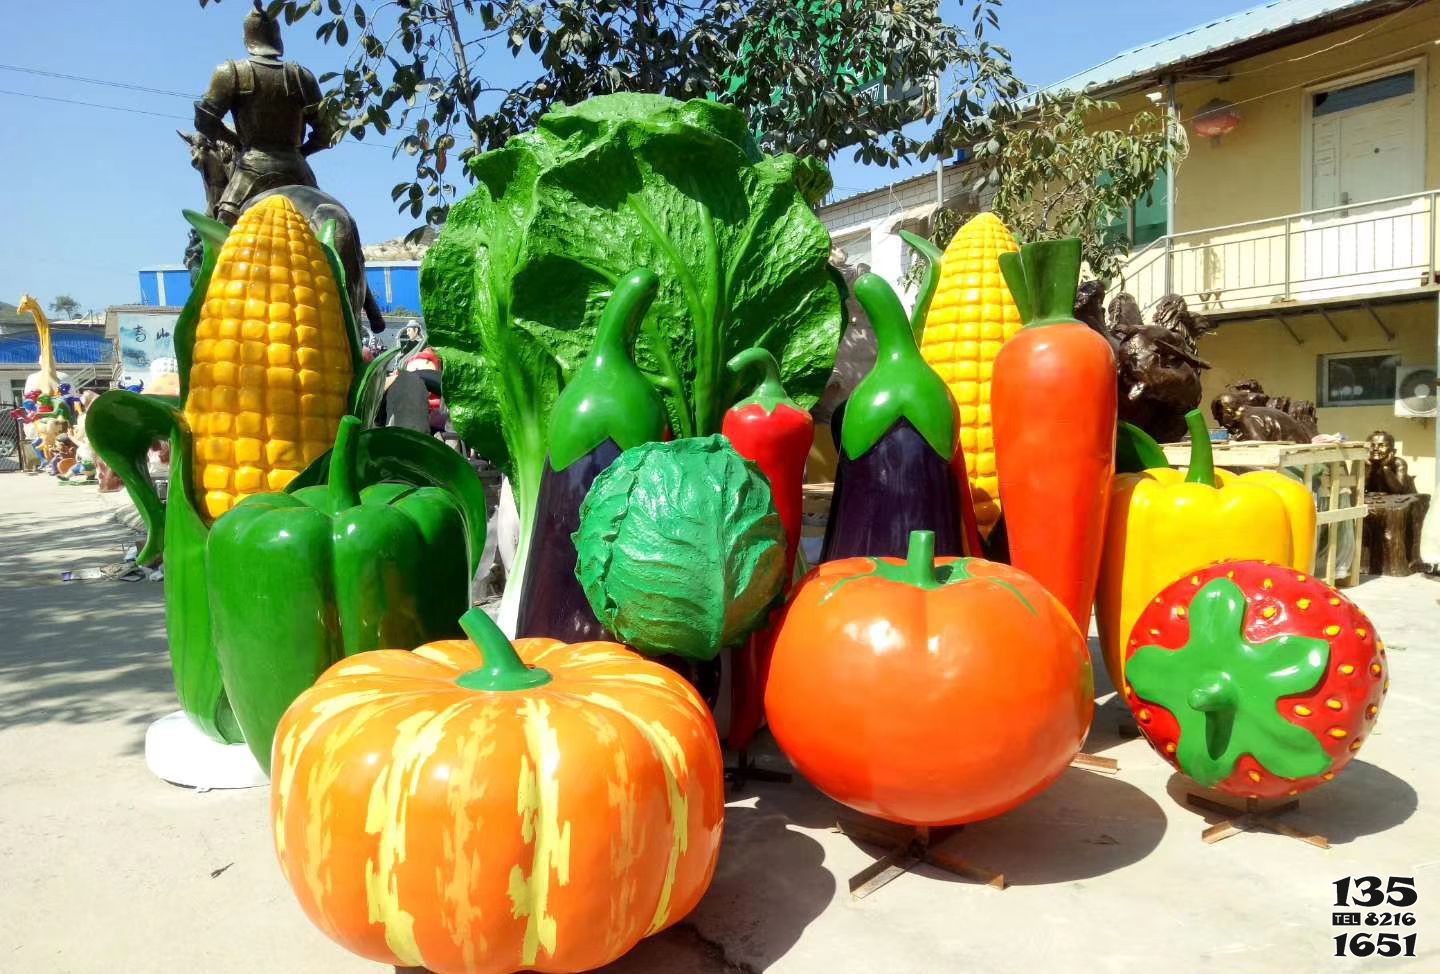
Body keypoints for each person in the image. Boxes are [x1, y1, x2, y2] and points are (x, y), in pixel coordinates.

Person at [193, 1, 336, 225]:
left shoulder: (231, 73)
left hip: (252, 169)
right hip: (298, 170)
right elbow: (327, 133)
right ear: (278, 39)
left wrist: (236, 141)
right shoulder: (301, 76)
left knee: (222, 227)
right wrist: (300, 153)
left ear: (246, 39)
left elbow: (204, 121)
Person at [1365, 430, 1416, 495]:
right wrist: (1367, 468)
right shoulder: (1365, 463)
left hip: (1405, 498)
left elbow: (1398, 490)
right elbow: (1358, 489)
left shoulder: (1398, 463)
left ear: (1393, 451)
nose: (1375, 448)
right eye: (1372, 445)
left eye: (1381, 445)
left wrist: (1385, 467)